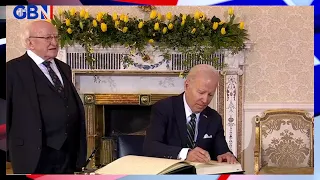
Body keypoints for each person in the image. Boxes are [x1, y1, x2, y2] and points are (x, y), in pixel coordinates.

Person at [6, 20, 87, 174]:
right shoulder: (12, 70)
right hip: (33, 154)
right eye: (48, 38)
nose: (54, 42)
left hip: (67, 153)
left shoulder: (64, 68)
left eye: (56, 37)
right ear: (30, 43)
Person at [143, 64, 237, 164]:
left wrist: (226, 155)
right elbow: (150, 147)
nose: (205, 100)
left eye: (210, 95)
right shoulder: (164, 108)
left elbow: (222, 150)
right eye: (201, 92)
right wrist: (186, 154)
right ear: (187, 85)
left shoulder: (214, 118)